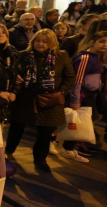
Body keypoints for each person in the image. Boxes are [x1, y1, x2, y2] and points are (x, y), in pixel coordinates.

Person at [6, 30, 76, 172]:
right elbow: (15, 72)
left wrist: (62, 91)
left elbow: (69, 77)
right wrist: (16, 77)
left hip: (50, 100)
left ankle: (40, 159)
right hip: (26, 97)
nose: (40, 44)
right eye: (38, 40)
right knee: (16, 127)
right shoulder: (24, 55)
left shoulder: (61, 56)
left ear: (52, 43)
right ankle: (8, 152)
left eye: (45, 41)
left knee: (45, 133)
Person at [65, 30, 107, 157]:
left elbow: (96, 66)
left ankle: (75, 143)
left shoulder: (95, 57)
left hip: (92, 93)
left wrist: (106, 67)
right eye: (101, 41)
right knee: (78, 121)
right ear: (92, 42)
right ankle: (70, 147)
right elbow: (77, 80)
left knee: (95, 116)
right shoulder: (84, 57)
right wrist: (75, 100)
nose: (105, 45)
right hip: (83, 94)